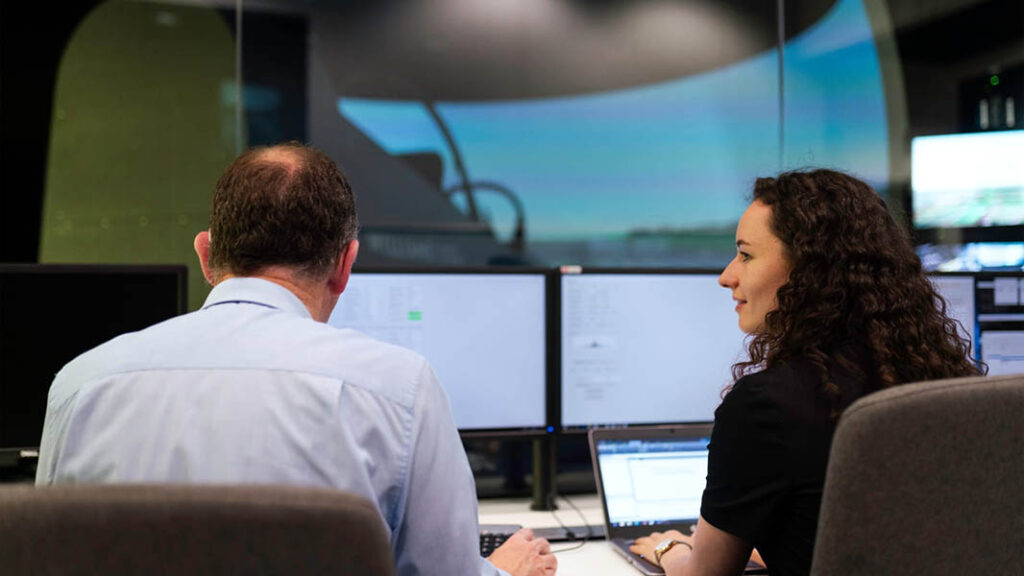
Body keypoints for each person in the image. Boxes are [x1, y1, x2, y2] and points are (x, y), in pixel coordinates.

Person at [35, 142, 556, 576]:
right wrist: (504, 571)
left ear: (206, 255)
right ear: (345, 266)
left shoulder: (79, 384)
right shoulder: (399, 389)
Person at [630, 169, 979, 576]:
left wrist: (670, 550)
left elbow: (703, 575)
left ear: (810, 270)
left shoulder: (766, 406)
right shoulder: (937, 379)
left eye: (745, 255)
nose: (727, 276)